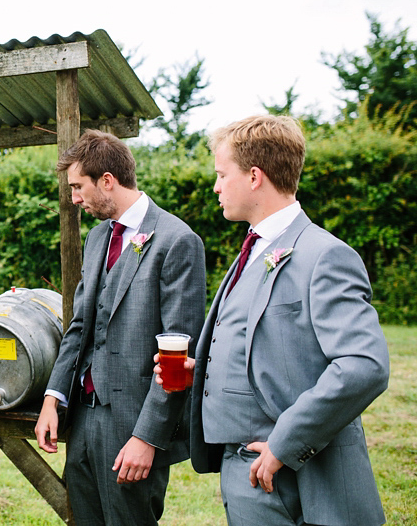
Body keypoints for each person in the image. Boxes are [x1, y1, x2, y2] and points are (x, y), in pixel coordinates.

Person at [181, 115, 390, 525]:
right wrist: (204, 373)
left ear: (254, 177)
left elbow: (364, 366)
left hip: (293, 479)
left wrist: (284, 444)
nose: (216, 186)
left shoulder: (324, 255)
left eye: (222, 175)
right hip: (242, 472)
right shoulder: (256, 247)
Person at [34, 129, 207, 526]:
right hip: (83, 418)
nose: (74, 198)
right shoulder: (97, 239)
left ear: (107, 181)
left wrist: (147, 437)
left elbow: (179, 356)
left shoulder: (177, 241)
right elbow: (79, 326)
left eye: (78, 187)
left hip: (134, 422)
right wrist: (52, 398)